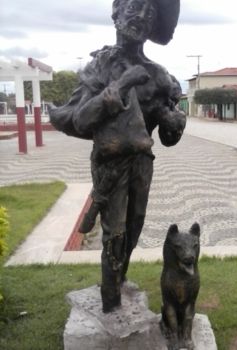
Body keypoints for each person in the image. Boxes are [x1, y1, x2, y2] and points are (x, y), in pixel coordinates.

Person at [49, 0, 185, 313]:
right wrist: (120, 86)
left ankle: (118, 282)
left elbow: (167, 136)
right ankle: (110, 303)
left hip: (142, 165)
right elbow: (80, 120)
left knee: (133, 230)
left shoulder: (160, 77)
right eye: (134, 7)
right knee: (114, 233)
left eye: (149, 13)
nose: (140, 17)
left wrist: (174, 124)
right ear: (116, 13)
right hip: (110, 165)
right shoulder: (99, 67)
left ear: (153, 26)